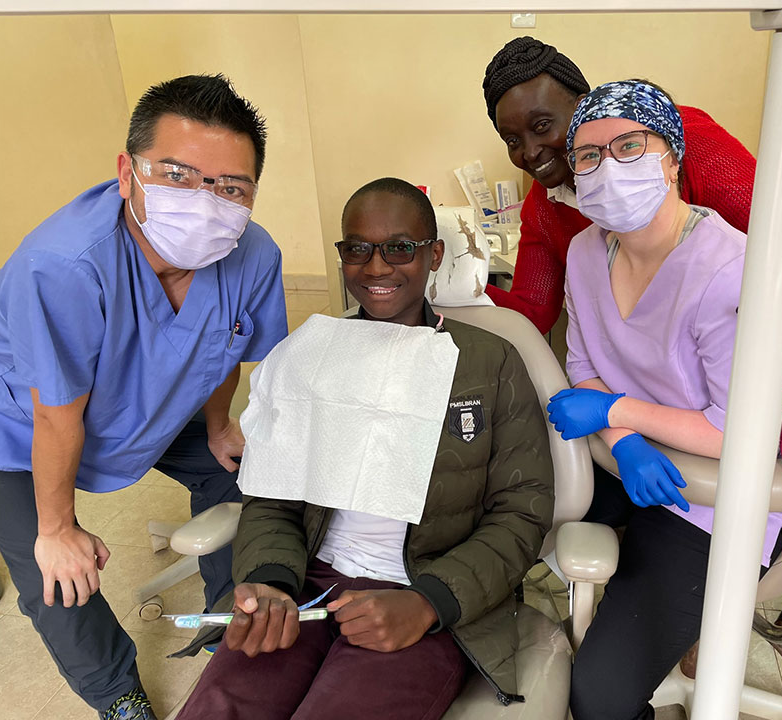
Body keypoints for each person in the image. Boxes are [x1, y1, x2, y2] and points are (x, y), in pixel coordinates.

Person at [174, 178, 555, 720]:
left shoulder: (489, 364)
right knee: (221, 707)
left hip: (425, 588)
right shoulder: (311, 357)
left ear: (434, 254)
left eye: (400, 247)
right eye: (357, 248)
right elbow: (271, 498)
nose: (376, 267)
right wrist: (272, 581)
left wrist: (428, 604)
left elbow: (521, 512)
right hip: (307, 581)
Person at [0, 74, 288, 720]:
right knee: (57, 576)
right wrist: (57, 526)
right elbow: (54, 414)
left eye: (229, 187)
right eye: (178, 175)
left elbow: (227, 346)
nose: (205, 201)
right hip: (21, 429)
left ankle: (229, 626)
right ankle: (115, 693)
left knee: (240, 471)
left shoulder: (253, 254)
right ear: (127, 173)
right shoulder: (63, 267)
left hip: (153, 402)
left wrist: (218, 426)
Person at [544, 80, 782, 720]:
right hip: (623, 461)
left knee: (598, 698)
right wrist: (623, 443)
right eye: (589, 156)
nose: (607, 168)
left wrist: (614, 414)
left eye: (629, 145)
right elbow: (585, 364)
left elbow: (741, 430)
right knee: (508, 503)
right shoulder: (583, 252)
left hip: (705, 496)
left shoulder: (731, 268)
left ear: (671, 158)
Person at [481, 36, 782, 336]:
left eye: (542, 126)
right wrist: (450, 285)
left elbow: (778, 222)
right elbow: (532, 312)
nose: (530, 152)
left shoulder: (680, 140)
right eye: (512, 140)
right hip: (706, 311)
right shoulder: (547, 207)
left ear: (584, 105)